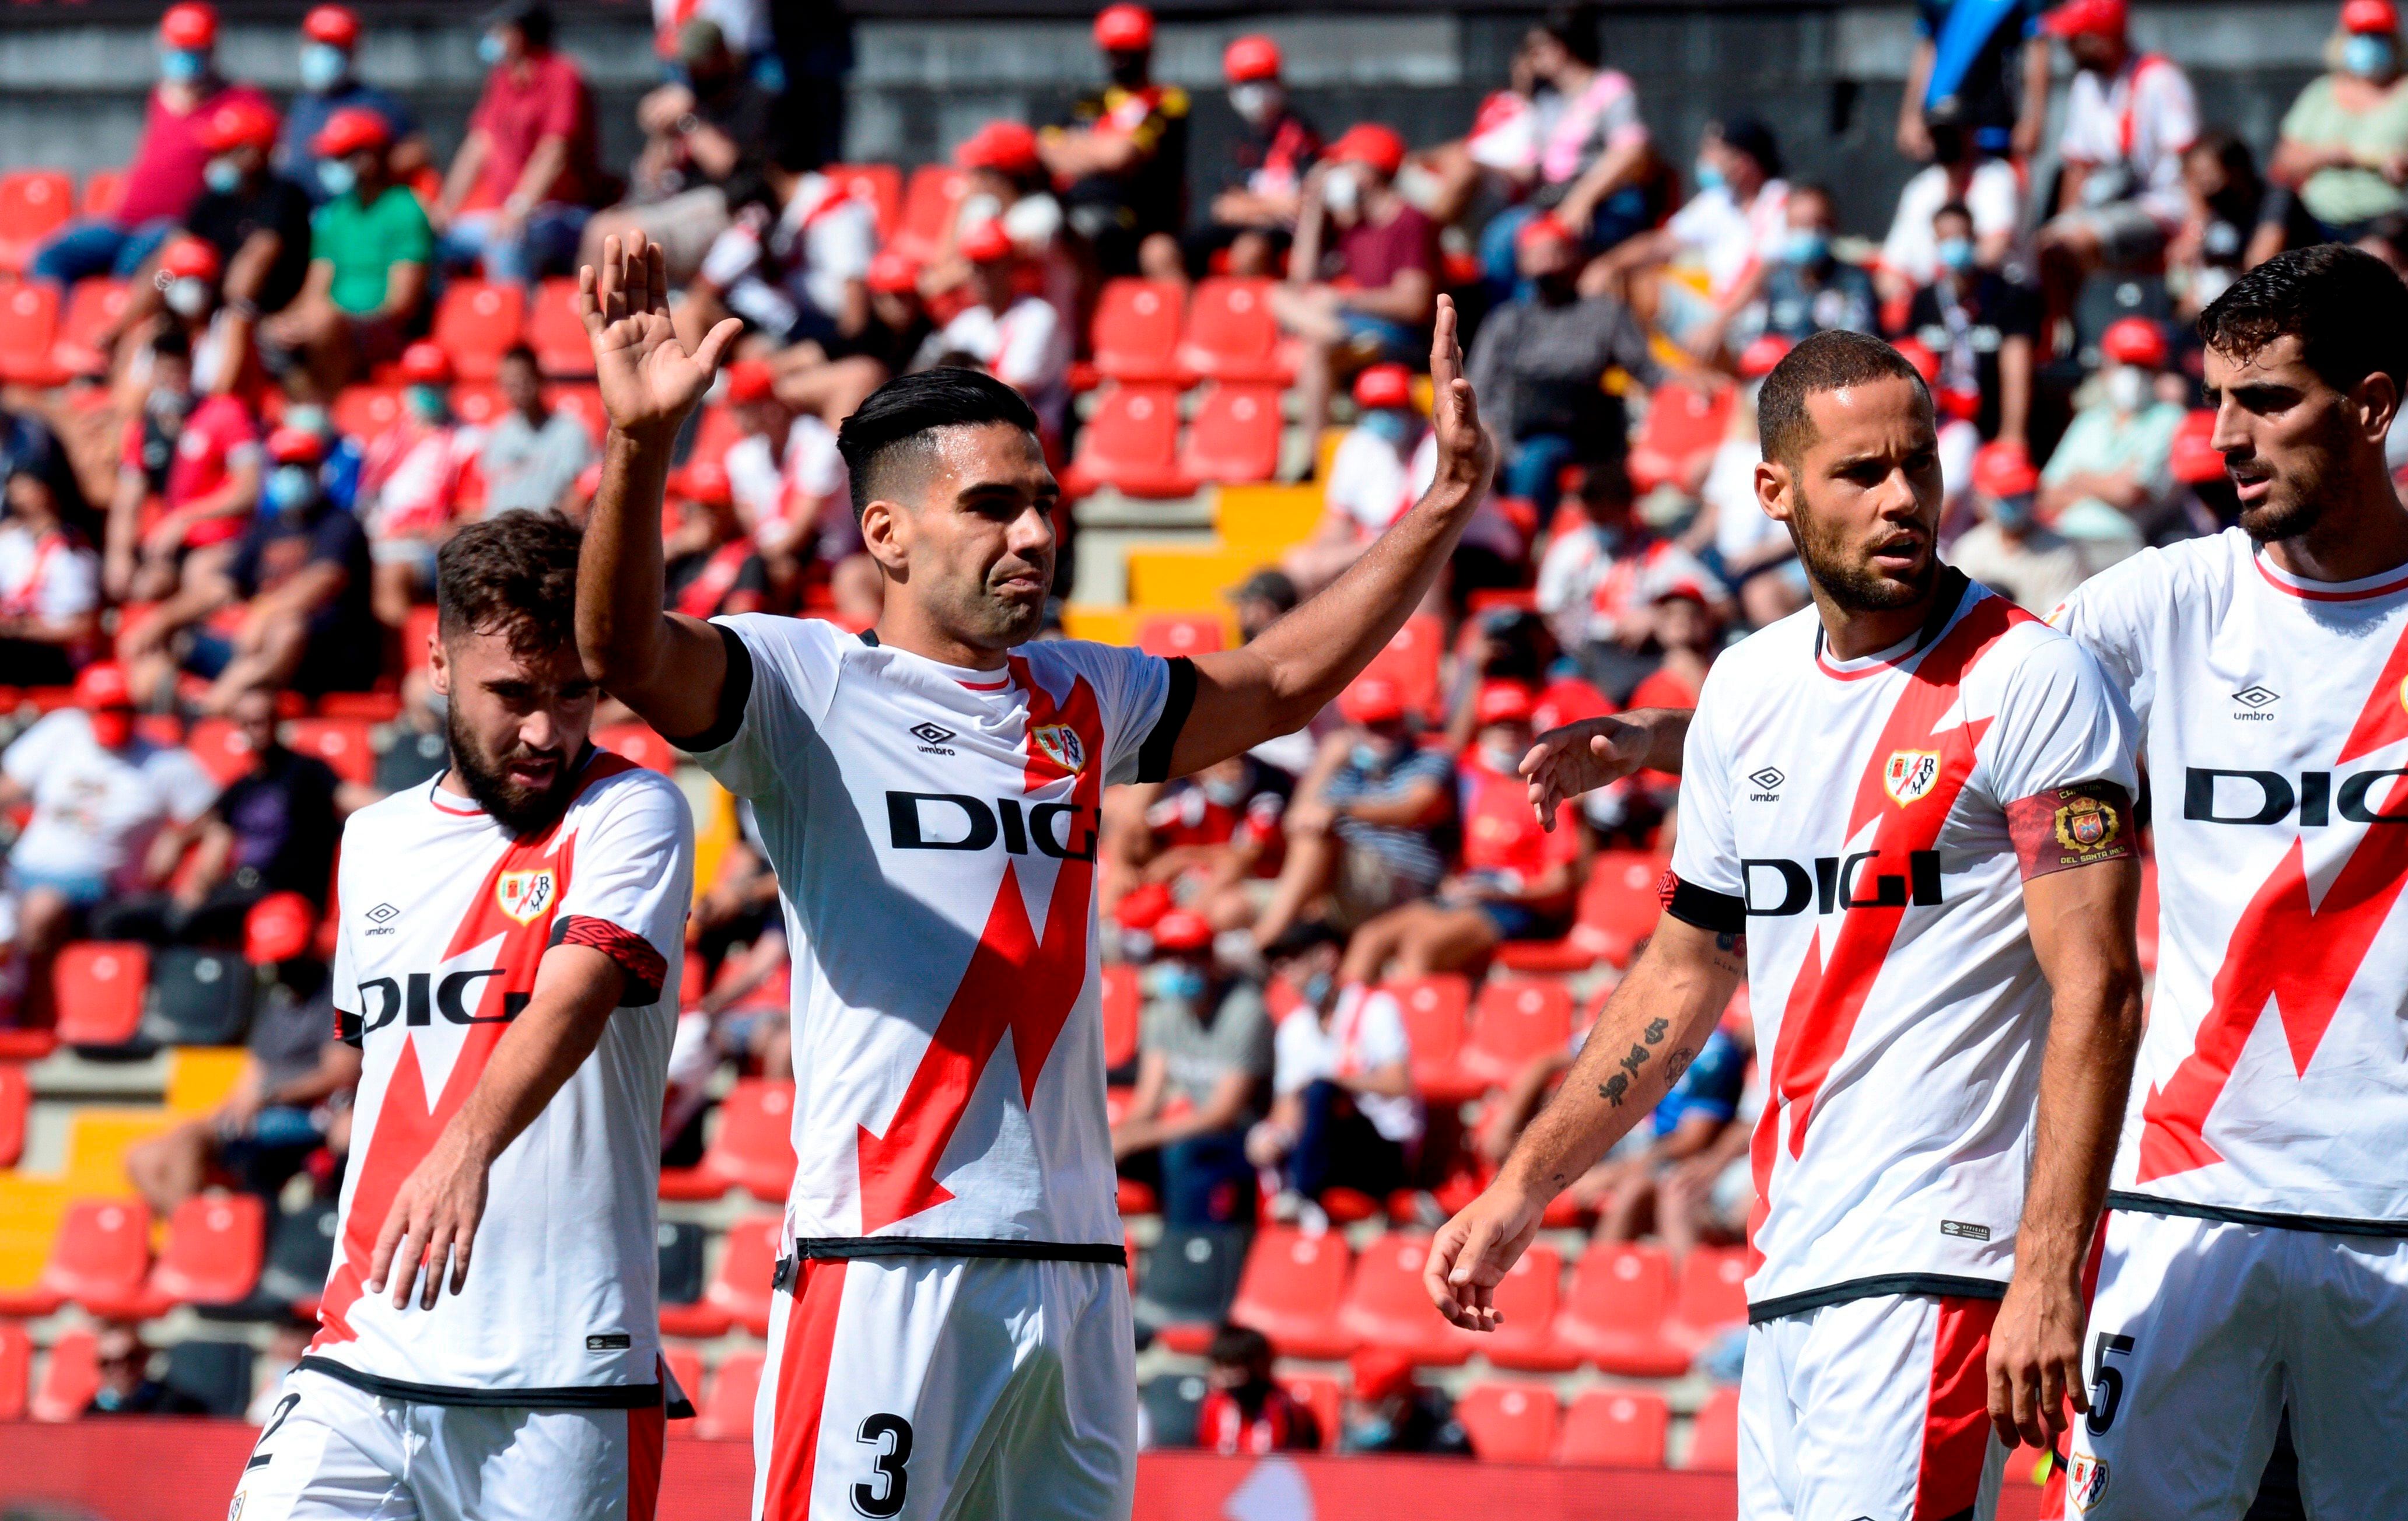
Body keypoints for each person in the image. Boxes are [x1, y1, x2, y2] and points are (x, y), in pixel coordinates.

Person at [571, 226, 1496, 1519]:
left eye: (1046, 500)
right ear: (886, 533)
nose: (1036, 530)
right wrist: (639, 445)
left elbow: (1279, 681)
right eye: (994, 505)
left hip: (1075, 1262)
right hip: (882, 1251)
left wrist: (1443, 503)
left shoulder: (1081, 691)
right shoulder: (801, 685)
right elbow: (621, 651)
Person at [1435, 331, 2147, 1517]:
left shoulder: (2030, 679)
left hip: (1939, 1260)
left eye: (1918, 464)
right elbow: (1682, 970)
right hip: (1792, 1263)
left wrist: (2043, 1269)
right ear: (1773, 490)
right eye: (1861, 473)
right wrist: (1523, 1185)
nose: (1903, 498)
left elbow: (2100, 985)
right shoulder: (1746, 690)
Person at [226, 511, 695, 1521]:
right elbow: (383, 1065)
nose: (545, 729)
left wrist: (467, 1144)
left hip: (562, 1369)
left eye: (575, 695)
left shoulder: (633, 810)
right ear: (437, 660)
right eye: (513, 693)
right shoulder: (373, 843)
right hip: (365, 1351)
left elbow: (575, 992)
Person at [2043, 244, 2408, 1520]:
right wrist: (1677, 733)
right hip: (2183, 1202)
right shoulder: (2160, 605)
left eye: (2267, 400)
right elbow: (1941, 711)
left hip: (2391, 1213)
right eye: (2216, 401)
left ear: (2370, 403)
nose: (2224, 438)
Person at [0, 663, 218, 1029]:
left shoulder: (164, 762)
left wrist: (178, 838)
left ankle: (28, 1018)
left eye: (122, 710)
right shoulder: (63, 730)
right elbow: (9, 786)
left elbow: (217, 816)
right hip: (24, 868)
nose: (114, 719)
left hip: (96, 888)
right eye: (105, 710)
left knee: (42, 909)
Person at [123, 892, 361, 1215]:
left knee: (191, 1142)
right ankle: (200, 1232)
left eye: (285, 960)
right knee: (141, 1157)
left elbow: (341, 1074)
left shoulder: (336, 994)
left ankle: (196, 1241)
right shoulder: (278, 1003)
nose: (278, 969)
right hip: (263, 1111)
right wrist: (230, 1109)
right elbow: (253, 1073)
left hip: (312, 1114)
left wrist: (267, 1096)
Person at [120, 427, 378, 714]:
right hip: (254, 648)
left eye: (300, 466)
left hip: (324, 659)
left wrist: (264, 614)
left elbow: (322, 580)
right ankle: (154, 715)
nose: (291, 474)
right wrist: (164, 619)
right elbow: (223, 586)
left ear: (320, 470)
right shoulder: (265, 527)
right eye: (283, 466)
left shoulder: (341, 524)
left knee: (286, 630)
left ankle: (212, 710)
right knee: (169, 639)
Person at [1337, 681, 1582, 980]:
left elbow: (1558, 885)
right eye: (1498, 725)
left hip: (1515, 905)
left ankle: (1414, 1021)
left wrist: (1501, 892)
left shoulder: (1547, 795)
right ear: (1482, 730)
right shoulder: (1469, 779)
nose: (1507, 734)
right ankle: (1346, 1022)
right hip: (1465, 892)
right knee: (1370, 938)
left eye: (1517, 725)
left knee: (1423, 946)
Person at [29, 3, 272, 288]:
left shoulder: (239, 101)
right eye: (178, 48)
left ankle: (123, 325)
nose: (184, 58)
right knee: (50, 258)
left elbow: (264, 157)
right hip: (124, 223)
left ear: (212, 50)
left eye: (194, 49)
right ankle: (61, 327)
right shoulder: (161, 96)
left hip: (177, 228)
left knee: (137, 272)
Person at [102, 685, 345, 950]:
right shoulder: (240, 788)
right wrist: (177, 840)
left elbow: (350, 797)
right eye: (250, 723)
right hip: (236, 888)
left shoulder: (307, 772)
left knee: (189, 923)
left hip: (279, 890)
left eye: (264, 720)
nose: (258, 729)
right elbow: (214, 828)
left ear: (278, 721)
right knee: (115, 921)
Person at [1466, 213, 1664, 515]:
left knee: (1544, 461)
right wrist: (1488, 432)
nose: (1548, 262)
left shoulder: (1604, 314)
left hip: (1581, 435)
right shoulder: (1506, 322)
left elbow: (1649, 371)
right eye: (1538, 253)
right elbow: (1476, 386)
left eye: (1556, 251)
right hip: (1514, 432)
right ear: (1522, 263)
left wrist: (1685, 384)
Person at [1247, 674, 1456, 952]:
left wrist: (1340, 810)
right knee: (1230, 906)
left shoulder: (1429, 758)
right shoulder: (1343, 766)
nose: (1382, 735)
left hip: (1400, 879)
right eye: (1372, 726)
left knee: (1317, 839)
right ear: (1353, 728)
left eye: (1388, 723)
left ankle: (1265, 939)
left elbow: (1412, 809)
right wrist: (1327, 761)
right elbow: (1296, 821)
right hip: (1340, 882)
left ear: (1403, 721)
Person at [1273, 124, 1442, 441]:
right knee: (1278, 295)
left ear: (1368, 172)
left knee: (1316, 352)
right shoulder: (1353, 224)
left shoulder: (1410, 222)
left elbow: (1414, 304)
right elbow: (1300, 279)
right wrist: (1312, 208)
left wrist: (1341, 300)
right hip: (1352, 330)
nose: (1333, 176)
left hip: (1400, 337)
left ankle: (1315, 463)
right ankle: (1332, 334)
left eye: (1342, 166)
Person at [585, 17, 785, 285]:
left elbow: (726, 164)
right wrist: (661, 132)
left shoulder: (754, 100)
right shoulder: (687, 100)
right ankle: (583, 318)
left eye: (699, 61)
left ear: (722, 56)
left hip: (731, 208)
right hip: (677, 203)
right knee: (598, 229)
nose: (691, 70)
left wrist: (688, 121)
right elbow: (650, 180)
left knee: (624, 238)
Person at [2034, 0, 2199, 319]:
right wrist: (2066, 219)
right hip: (2106, 204)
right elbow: (2077, 164)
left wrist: (2194, 231)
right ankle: (2064, 337)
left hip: (2161, 208)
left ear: (2103, 39)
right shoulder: (2087, 84)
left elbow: (2189, 158)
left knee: (2075, 243)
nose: (2067, 48)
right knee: (2046, 247)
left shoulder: (2157, 78)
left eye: (2075, 39)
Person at [1110, 909, 1273, 1226]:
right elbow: (1148, 1101)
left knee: (1182, 1154)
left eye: (1190, 956)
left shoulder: (1245, 1011)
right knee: (1108, 1158)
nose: (1179, 966)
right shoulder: (1163, 1014)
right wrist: (1120, 1139)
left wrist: (1137, 1138)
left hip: (1244, 1138)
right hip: (1192, 1128)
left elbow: (1223, 1114)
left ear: (1211, 960)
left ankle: (1186, 1252)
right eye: (1169, 956)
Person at [258, 107, 433, 402]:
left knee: (324, 323)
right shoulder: (336, 214)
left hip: (382, 331)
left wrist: (339, 320)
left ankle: (327, 410)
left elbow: (402, 304)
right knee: (269, 331)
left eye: (342, 156)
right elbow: (315, 290)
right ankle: (306, 411)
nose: (333, 165)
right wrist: (288, 321)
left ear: (370, 157)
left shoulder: (406, 209)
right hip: (333, 326)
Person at [1250, 923, 1420, 1219]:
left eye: (1294, 958)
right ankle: (1298, 1201)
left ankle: (1299, 1195)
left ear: (1327, 957)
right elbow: (1286, 1107)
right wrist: (1270, 1136)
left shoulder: (1376, 1007)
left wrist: (1334, 1081)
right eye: (1279, 963)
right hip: (1326, 1148)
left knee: (1321, 1090)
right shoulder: (1294, 1028)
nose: (1285, 970)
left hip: (1380, 1148)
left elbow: (1399, 1083)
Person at [430, 1, 602, 285]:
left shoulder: (563, 75)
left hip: (564, 214)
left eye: (498, 31)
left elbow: (554, 153)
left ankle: (515, 325)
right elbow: (478, 146)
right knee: (432, 241)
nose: (491, 39)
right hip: (506, 215)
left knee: (507, 240)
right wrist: (445, 208)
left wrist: (517, 209)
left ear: (519, 34)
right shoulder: (502, 79)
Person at [1592, 118, 1790, 363]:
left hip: (1759, 327)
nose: (1705, 158)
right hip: (1717, 317)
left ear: (1743, 162)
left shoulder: (1781, 202)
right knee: (1636, 283)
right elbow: (1660, 245)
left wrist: (1717, 326)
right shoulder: (1718, 201)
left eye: (1714, 150)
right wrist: (1606, 265)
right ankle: (1650, 373)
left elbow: (1761, 274)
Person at [1535, 459, 1728, 702]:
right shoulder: (1569, 550)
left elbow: (1722, 604)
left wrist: (1658, 618)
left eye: (1609, 514)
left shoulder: (1661, 554)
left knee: (1684, 663)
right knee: (1560, 679)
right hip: (1583, 654)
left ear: (1627, 507)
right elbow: (1548, 610)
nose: (1601, 523)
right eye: (1595, 515)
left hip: (1645, 655)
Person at [1042, 3, 1190, 278]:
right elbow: (1046, 149)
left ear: (1147, 52)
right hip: (1074, 210)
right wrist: (1103, 149)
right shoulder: (1087, 102)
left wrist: (1079, 145)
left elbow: (1124, 156)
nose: (1120, 59)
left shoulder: (1166, 100)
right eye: (1114, 51)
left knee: (1157, 252)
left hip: (1137, 223)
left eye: (1129, 52)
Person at [357, 344, 484, 628]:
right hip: (379, 541)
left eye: (433, 382)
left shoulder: (469, 442)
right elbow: (366, 504)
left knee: (391, 575)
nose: (424, 390)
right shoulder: (386, 444)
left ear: (448, 386)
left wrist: (417, 534)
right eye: (417, 382)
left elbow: (472, 519)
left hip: (430, 547)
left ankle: (405, 665)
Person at [1177, 36, 1321, 282]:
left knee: (1249, 250)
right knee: (1164, 251)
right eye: (1246, 83)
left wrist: (1249, 204)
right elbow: (1221, 207)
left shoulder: (1303, 135)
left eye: (1262, 81)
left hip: (1282, 235)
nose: (1255, 92)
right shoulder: (1229, 138)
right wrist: (1272, 205)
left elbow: (1303, 205)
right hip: (1235, 228)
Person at [918, 220, 1073, 443]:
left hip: (1033, 435)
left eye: (990, 264)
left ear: (1009, 266)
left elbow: (1011, 393)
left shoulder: (1037, 316)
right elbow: (929, 379)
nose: (982, 274)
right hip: (974, 429)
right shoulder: (966, 322)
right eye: (976, 265)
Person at [2038, 316, 2181, 553]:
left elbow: (2130, 493)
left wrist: (2080, 479)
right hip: (2066, 539)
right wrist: (2110, 483)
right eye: (2124, 364)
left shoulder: (2169, 418)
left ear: (2158, 371)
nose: (2133, 375)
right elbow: (2047, 495)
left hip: (2122, 544)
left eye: (2142, 366)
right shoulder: (2090, 419)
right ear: (2106, 367)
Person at [2269, 0, 2408, 244]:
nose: (2368, 43)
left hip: (2383, 222)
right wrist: (2329, 155)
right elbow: (2283, 162)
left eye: (2377, 36)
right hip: (2318, 220)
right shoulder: (2321, 93)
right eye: (2360, 35)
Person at [1904, 201, 2039, 451]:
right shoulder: (1924, 300)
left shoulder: (2008, 296)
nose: (1954, 245)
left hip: (1988, 419)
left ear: (1974, 238)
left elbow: (2017, 367)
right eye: (1946, 238)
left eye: (1961, 236)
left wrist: (2012, 437)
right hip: (1939, 419)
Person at [1285, 363, 1427, 593]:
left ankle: (1421, 630)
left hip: (1455, 553)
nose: (1384, 416)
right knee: (1300, 564)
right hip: (1375, 549)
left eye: (1392, 407)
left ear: (1411, 409)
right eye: (1375, 408)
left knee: (1428, 567)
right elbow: (1338, 522)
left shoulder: (1434, 446)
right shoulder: (1359, 444)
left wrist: (1340, 558)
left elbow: (1422, 534)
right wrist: (1317, 558)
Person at [278, 4, 428, 206]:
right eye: (317, 44)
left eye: (335, 47)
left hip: (357, 214)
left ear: (352, 53)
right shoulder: (302, 103)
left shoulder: (377, 102)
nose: (322, 54)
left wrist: (364, 172)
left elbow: (418, 151)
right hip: (304, 217)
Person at [1882, 98, 2028, 299]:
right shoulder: (1919, 189)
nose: (1945, 141)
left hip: (1992, 301)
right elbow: (1890, 269)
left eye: (1952, 132)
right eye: (1939, 134)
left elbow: (1994, 250)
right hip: (1932, 307)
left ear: (1971, 134)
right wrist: (1908, 300)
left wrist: (1953, 274)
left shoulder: (1996, 176)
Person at [1898, 0, 2050, 162]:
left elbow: (2036, 48)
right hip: (1939, 126)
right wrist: (1910, 115)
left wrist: (2033, 119)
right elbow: (1927, 47)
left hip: (1994, 129)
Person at [0, 451, 101, 685]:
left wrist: (22, 630)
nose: (16, 493)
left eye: (24, 484)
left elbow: (84, 628)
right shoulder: (12, 540)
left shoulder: (72, 550)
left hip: (53, 656)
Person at [479, 345, 596, 516]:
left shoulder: (571, 432)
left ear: (538, 378)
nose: (515, 390)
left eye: (521, 380)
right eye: (508, 383)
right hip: (498, 535)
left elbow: (580, 495)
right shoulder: (497, 434)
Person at [1760, 184, 1880, 342]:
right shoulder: (1779, 281)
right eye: (1801, 224)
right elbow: (1770, 340)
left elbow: (1863, 342)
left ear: (1833, 226)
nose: (1810, 232)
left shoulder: (1855, 281)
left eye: (1818, 224)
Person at [1195, 1324, 1320, 1455]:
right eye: (1220, 1365)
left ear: (1261, 1365)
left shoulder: (1285, 1408)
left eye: (1234, 1365)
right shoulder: (1214, 1406)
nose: (1226, 1375)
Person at [1341, 1347, 1471, 1456]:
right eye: (1356, 1403)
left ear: (1400, 1404)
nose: (1358, 1414)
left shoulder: (1442, 1442)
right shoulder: (1348, 1436)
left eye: (1370, 1405)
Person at [86, 1327, 209, 1417]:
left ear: (144, 1358)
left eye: (130, 1358)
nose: (120, 1369)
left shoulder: (176, 1405)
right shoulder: (93, 1413)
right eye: (107, 1363)